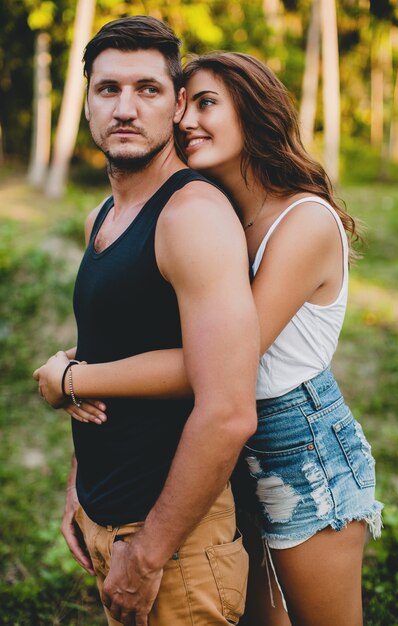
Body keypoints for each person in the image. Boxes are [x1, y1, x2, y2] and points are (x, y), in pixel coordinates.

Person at [35, 51, 383, 626]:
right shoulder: (211, 215)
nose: (186, 120)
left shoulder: (302, 223)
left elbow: (221, 365)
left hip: (300, 450)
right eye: (184, 104)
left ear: (252, 111)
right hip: (222, 451)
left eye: (207, 103)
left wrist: (76, 376)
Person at [34, 22, 261, 626]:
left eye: (148, 89)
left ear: (178, 102)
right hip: (111, 518)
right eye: (108, 89)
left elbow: (229, 408)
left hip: (173, 540)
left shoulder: (192, 217)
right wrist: (81, 491)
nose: (126, 108)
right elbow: (106, 352)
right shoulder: (102, 215)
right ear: (86, 104)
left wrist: (147, 554)